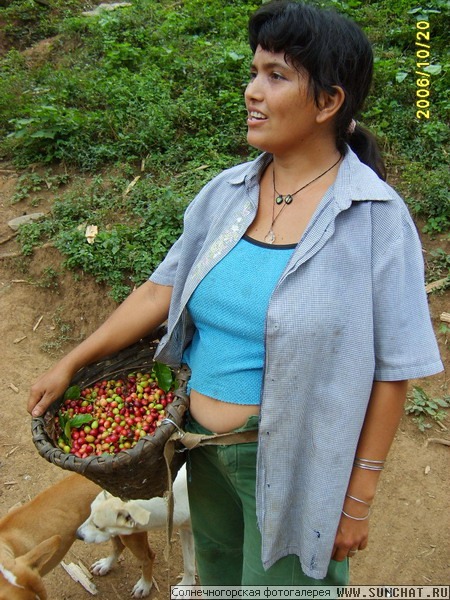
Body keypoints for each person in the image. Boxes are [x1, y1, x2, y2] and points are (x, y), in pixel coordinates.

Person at [28, 0, 443, 587]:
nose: (252, 91)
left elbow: (394, 367)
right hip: (199, 452)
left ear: (328, 101)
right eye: (254, 72)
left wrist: (358, 497)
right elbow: (160, 289)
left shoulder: (374, 219)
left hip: (294, 465)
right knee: (220, 579)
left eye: (276, 76)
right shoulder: (226, 192)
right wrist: (74, 361)